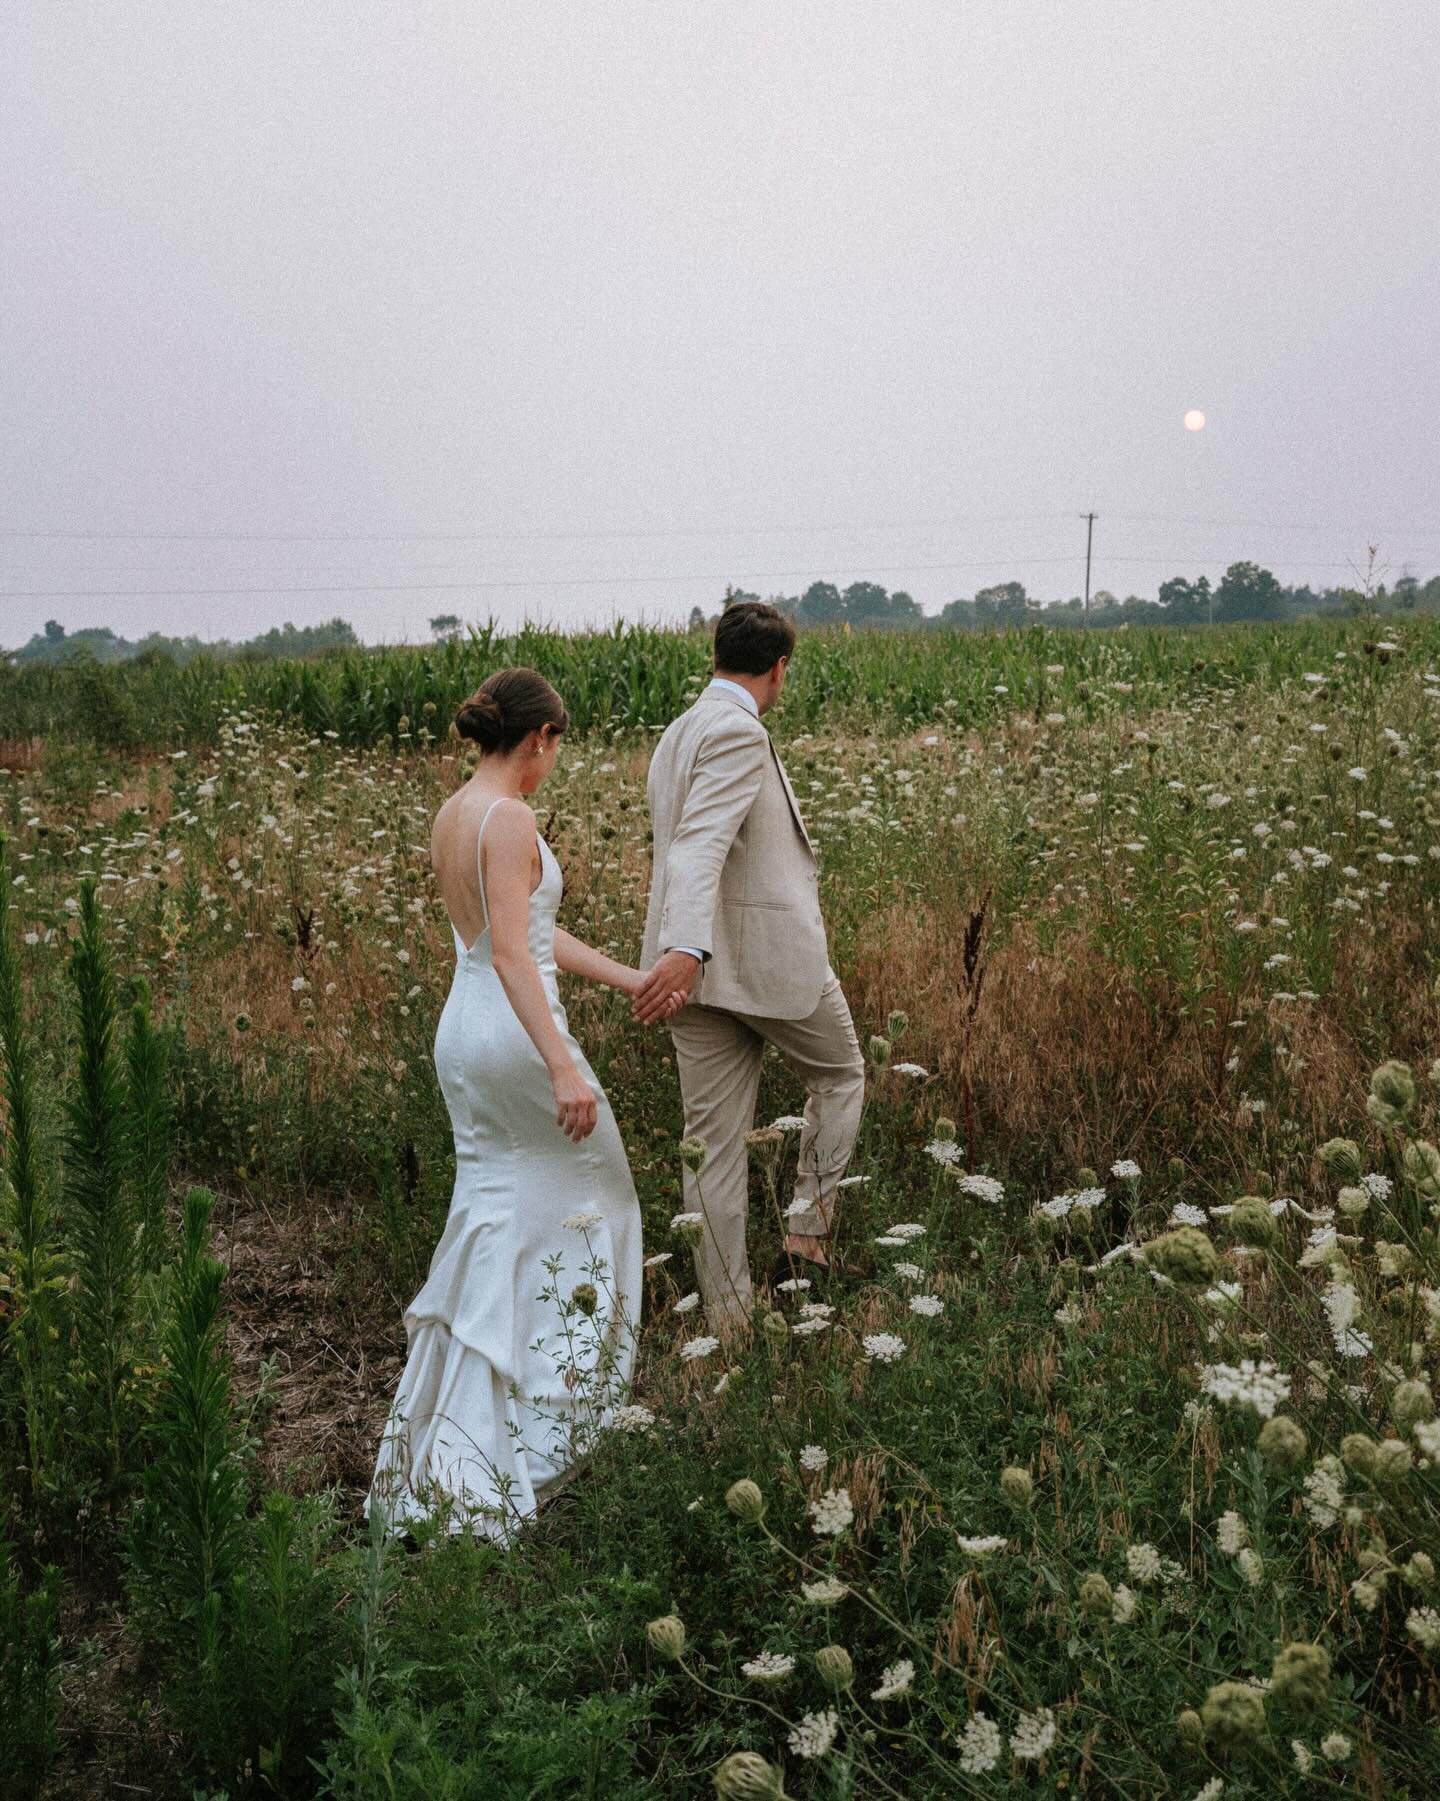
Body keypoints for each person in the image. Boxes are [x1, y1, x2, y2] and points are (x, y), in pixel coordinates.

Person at [366, 667, 684, 1543]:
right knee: (604, 1203)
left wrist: (627, 977)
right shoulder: (512, 817)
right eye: (555, 748)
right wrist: (562, 1066)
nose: (552, 764)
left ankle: (452, 1439)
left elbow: (521, 935)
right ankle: (553, 1419)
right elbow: (515, 955)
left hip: (463, 1033)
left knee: (495, 1214)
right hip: (514, 1033)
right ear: (539, 738)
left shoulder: (454, 811)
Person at [634, 602, 866, 1326]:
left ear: (716, 652)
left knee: (711, 1146)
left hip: (697, 979)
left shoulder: (679, 731)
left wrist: (684, 954)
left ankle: (727, 1322)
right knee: (842, 1071)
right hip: (747, 962)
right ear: (778, 669)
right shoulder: (738, 730)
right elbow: (698, 844)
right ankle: (808, 1231)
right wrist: (687, 948)